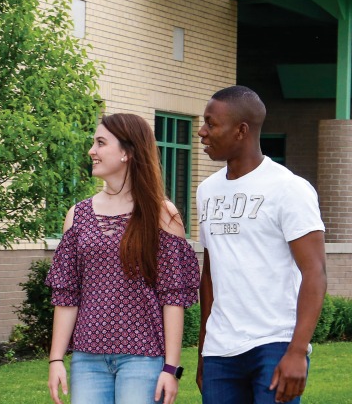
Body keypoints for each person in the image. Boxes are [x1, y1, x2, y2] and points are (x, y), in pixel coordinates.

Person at [46, 113, 200, 404]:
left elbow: (173, 299)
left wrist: (171, 367)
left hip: (142, 358)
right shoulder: (77, 216)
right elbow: (67, 295)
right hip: (87, 360)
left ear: (128, 152)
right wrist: (56, 359)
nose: (92, 151)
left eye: (101, 143)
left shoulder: (162, 215)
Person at [195, 85, 327, 404]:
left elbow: (315, 272)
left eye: (211, 124)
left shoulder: (289, 189)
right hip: (220, 351)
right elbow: (210, 277)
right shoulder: (206, 191)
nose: (202, 132)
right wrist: (203, 352)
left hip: (274, 344)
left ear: (241, 131)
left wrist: (297, 351)